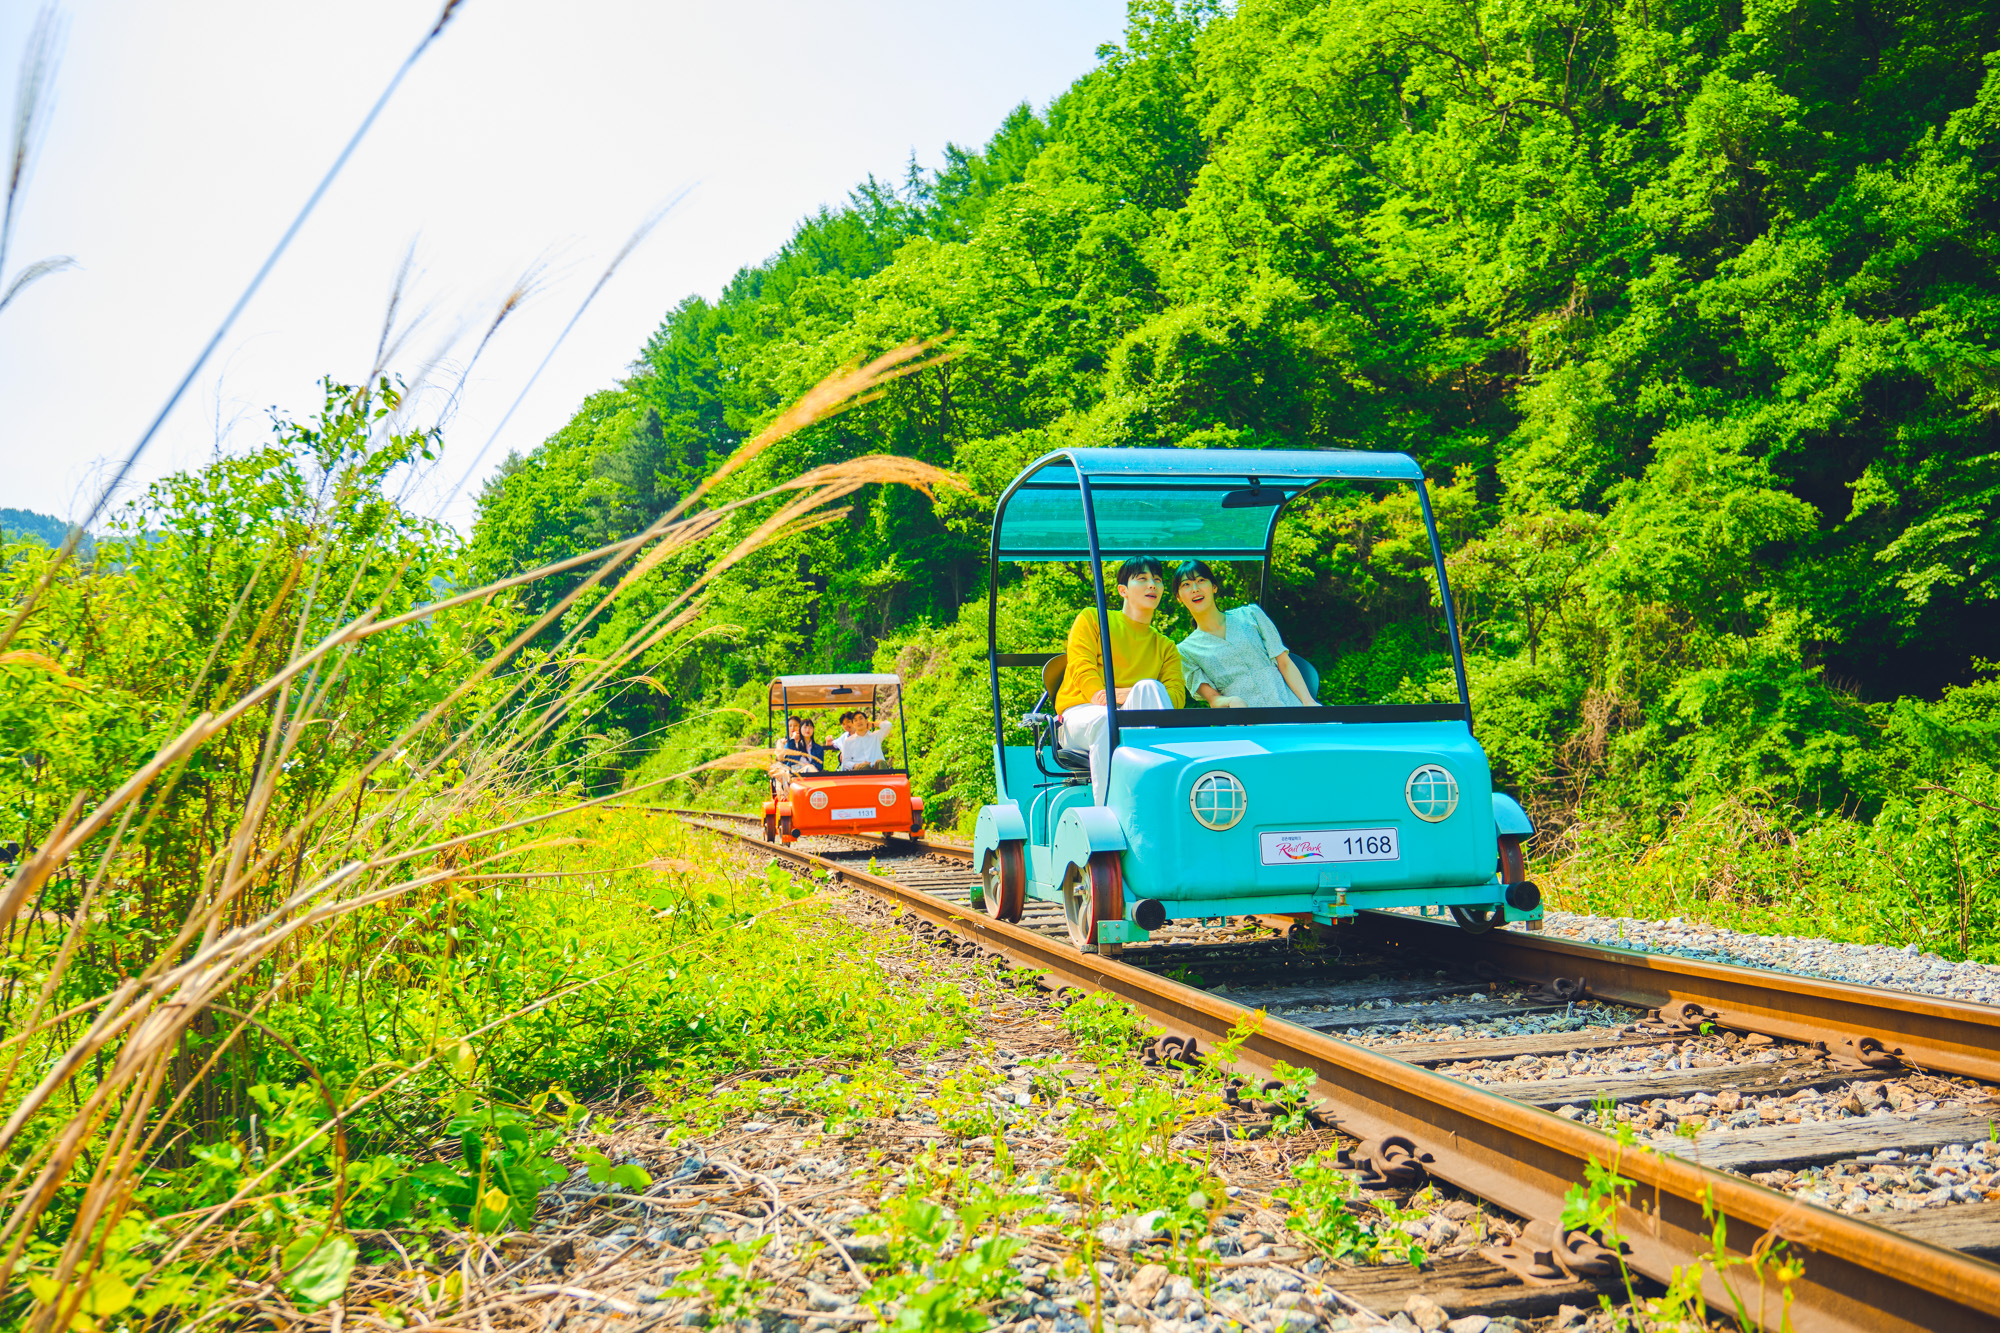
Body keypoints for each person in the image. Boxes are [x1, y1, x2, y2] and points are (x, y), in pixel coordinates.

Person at [1056, 556, 1187, 800]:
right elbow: (1081, 668)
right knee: (1108, 720)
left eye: (1157, 580)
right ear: (1123, 590)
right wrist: (1104, 698)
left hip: (1139, 716)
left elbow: (1176, 698)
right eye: (1142, 579)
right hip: (1083, 714)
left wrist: (1127, 695)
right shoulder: (1093, 619)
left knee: (1149, 688)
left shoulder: (1166, 646)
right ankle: (1109, 812)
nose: (1152, 585)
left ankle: (1161, 797)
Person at [1172, 559, 1318, 708]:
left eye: (1201, 580)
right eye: (1186, 585)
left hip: (1289, 706)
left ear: (1214, 586)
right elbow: (1213, 699)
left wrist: (1308, 702)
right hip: (1245, 722)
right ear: (1178, 597)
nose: (1195, 588)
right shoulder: (1185, 651)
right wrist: (1231, 701)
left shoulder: (1251, 614)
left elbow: (1284, 663)